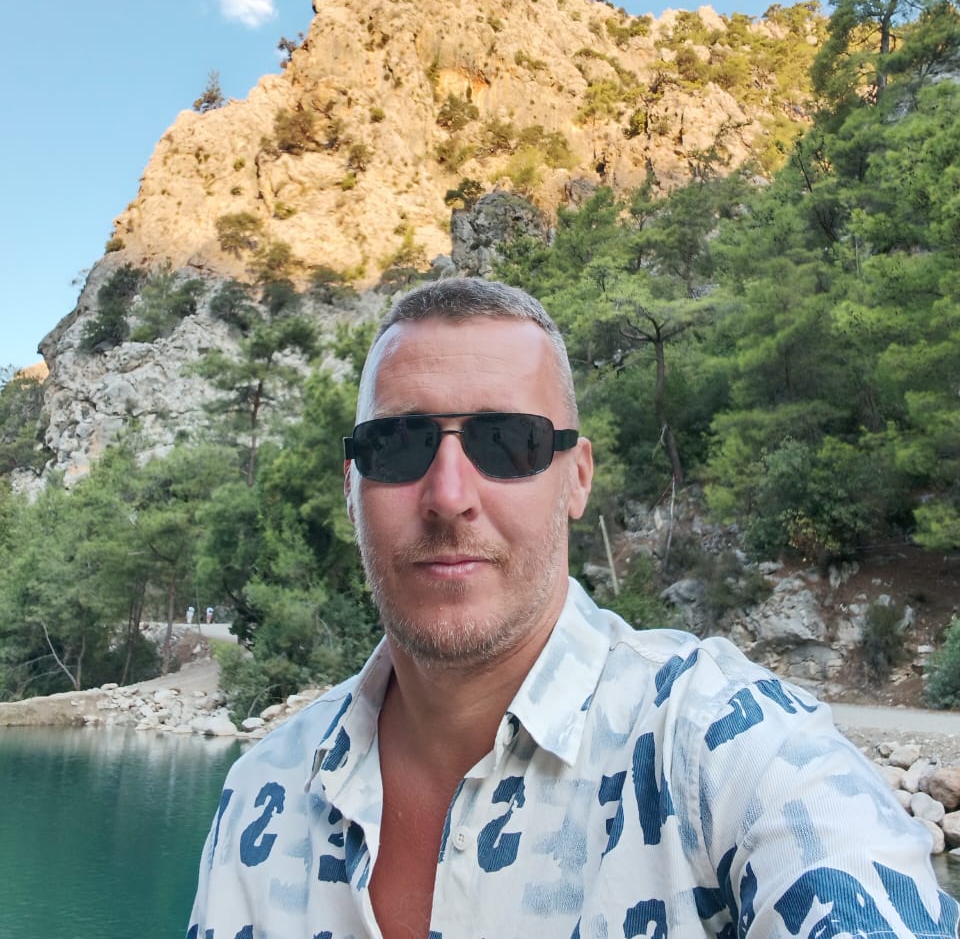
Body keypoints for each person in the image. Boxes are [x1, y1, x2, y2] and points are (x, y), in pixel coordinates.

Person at [188, 278, 959, 939]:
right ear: (353, 487)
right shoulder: (262, 794)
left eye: (508, 443)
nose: (449, 496)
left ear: (577, 477)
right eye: (399, 445)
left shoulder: (724, 749)